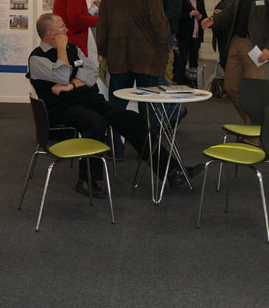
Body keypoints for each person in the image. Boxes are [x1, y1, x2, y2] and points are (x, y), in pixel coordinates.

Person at [27, 14, 197, 197]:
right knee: (95, 124)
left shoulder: (73, 49)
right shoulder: (37, 59)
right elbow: (61, 75)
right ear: (51, 33)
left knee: (134, 120)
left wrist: (71, 84)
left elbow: (92, 72)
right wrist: (61, 50)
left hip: (91, 100)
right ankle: (86, 180)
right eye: (62, 28)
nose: (66, 31)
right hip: (63, 109)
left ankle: (172, 172)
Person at [97, 0, 170, 156]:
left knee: (116, 106)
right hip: (147, 58)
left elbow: (103, 24)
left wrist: (104, 51)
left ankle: (115, 148)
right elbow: (159, 23)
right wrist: (164, 45)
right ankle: (150, 151)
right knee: (148, 107)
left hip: (118, 57)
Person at [174, 0, 207, 85]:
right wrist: (190, 14)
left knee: (194, 59)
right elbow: (177, 16)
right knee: (182, 58)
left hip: (196, 34)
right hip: (184, 34)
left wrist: (200, 16)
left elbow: (204, 16)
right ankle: (180, 81)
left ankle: (192, 81)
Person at [211, 0, 237, 71]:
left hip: (229, 35)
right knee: (223, 60)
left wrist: (222, 14)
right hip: (221, 34)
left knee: (228, 61)